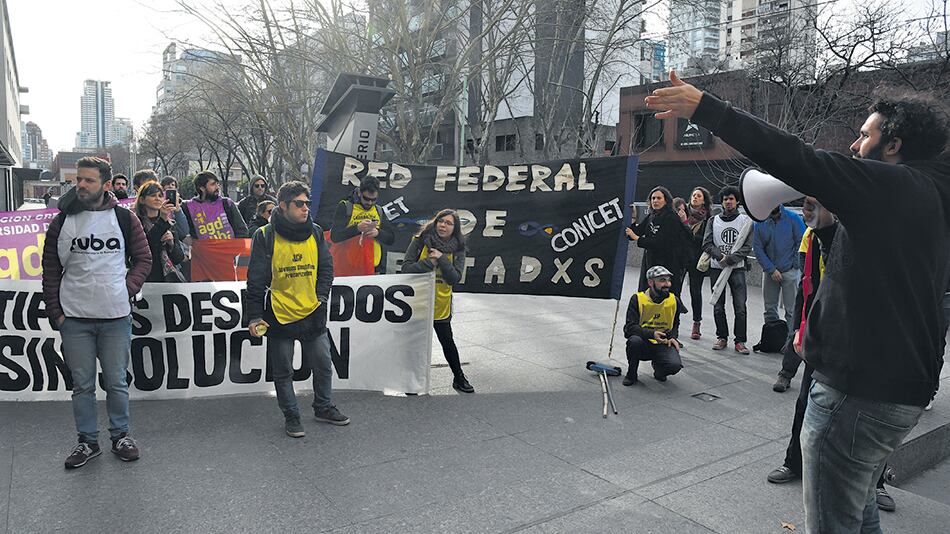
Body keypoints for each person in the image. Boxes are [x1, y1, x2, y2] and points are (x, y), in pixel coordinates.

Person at [646, 70, 950, 534]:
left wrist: (706, 108)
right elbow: (876, 272)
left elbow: (797, 156)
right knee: (859, 507)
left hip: (857, 391)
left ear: (892, 146)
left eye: (864, 135)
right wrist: (829, 231)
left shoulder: (891, 186)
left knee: (833, 522)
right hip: (901, 387)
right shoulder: (929, 193)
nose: (854, 145)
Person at [766, 197, 898, 513]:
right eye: (810, 204)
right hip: (823, 333)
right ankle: (793, 463)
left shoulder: (874, 232)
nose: (813, 210)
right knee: (804, 405)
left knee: (872, 415)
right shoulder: (812, 237)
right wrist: (800, 328)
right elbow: (806, 287)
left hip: (866, 337)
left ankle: (875, 484)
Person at [41, 156, 152, 468]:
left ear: (105, 185)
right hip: (74, 319)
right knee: (83, 385)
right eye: (79, 179)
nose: (81, 185)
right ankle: (87, 442)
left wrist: (125, 289)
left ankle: (120, 436)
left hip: (115, 317)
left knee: (116, 381)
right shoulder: (62, 221)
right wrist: (57, 314)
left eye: (88, 180)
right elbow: (50, 269)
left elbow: (144, 259)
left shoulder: (124, 218)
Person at [246, 180, 349, 437]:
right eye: (299, 204)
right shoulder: (265, 235)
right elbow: (255, 280)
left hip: (312, 312)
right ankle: (291, 416)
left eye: (308, 203)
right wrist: (255, 316)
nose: (306, 209)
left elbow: (326, 267)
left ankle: (323, 407)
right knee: (283, 372)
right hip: (278, 316)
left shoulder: (315, 232)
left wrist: (322, 297)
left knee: (324, 364)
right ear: (283, 206)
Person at [401, 209, 474, 393]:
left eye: (448, 223)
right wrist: (428, 263)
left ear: (454, 228)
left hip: (441, 305)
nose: (443, 225)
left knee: (447, 342)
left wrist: (441, 259)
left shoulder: (459, 248)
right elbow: (406, 269)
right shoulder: (419, 241)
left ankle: (459, 378)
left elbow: (455, 278)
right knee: (415, 345)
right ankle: (412, 381)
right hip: (417, 302)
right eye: (441, 221)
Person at [702, 185, 752, 354]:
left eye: (731, 198)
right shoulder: (713, 220)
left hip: (737, 268)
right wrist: (720, 257)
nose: (728, 202)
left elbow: (747, 246)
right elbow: (707, 243)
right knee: (718, 305)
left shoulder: (745, 221)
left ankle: (740, 341)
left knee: (740, 306)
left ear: (737, 201)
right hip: (717, 268)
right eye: (725, 199)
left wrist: (731, 259)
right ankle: (722, 337)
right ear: (721, 202)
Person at [621, 265, 686, 386]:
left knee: (675, 365)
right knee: (634, 341)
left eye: (668, 280)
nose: (667, 284)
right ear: (650, 282)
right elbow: (629, 328)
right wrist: (652, 334)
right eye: (662, 280)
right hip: (643, 342)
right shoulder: (637, 299)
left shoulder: (674, 300)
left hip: (663, 343)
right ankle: (631, 374)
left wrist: (673, 337)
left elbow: (675, 322)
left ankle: (660, 371)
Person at [752, 204, 805, 333]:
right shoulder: (759, 221)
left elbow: (802, 241)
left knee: (791, 310)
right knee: (769, 309)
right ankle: (773, 339)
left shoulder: (793, 218)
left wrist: (794, 265)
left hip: (790, 271)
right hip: (770, 273)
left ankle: (791, 342)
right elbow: (758, 248)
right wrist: (771, 269)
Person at [627, 186, 688, 296]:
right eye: (653, 198)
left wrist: (638, 239)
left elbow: (662, 243)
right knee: (647, 297)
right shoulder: (652, 215)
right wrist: (633, 217)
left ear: (666, 200)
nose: (655, 201)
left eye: (659, 198)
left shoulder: (671, 217)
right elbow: (634, 232)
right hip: (650, 262)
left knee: (664, 297)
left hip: (666, 264)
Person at [330, 176, 395, 273]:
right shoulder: (346, 207)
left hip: (372, 268)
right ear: (359, 192)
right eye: (366, 198)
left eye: (374, 199)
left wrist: (377, 233)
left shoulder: (379, 210)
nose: (370, 203)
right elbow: (334, 236)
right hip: (347, 268)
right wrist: (357, 228)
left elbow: (391, 239)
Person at [134, 181, 186, 282]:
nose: (158, 198)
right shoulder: (135, 222)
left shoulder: (170, 223)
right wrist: (162, 220)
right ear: (142, 200)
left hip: (169, 280)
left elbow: (179, 258)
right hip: (146, 279)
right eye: (153, 195)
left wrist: (171, 244)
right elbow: (146, 248)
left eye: (160, 195)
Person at [182, 171, 248, 239]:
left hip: (229, 248)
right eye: (213, 184)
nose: (217, 187)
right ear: (202, 188)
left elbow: (242, 230)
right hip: (202, 249)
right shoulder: (189, 207)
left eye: (217, 183)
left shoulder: (227, 203)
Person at [684, 186, 712, 340]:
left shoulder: (708, 218)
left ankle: (696, 323)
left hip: (697, 260)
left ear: (704, 200)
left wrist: (688, 233)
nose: (695, 197)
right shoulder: (683, 212)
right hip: (681, 258)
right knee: (673, 290)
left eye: (699, 196)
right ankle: (673, 321)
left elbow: (706, 240)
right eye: (693, 195)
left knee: (695, 292)